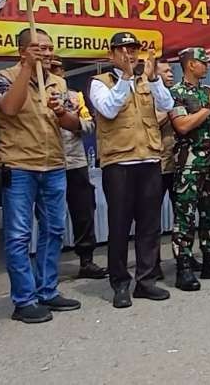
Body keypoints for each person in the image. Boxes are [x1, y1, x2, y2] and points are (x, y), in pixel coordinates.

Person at [0, 28, 82, 323]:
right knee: (18, 235)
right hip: (19, 166)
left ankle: (47, 290)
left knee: (54, 230)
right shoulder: (2, 78)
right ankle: (24, 300)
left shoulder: (57, 82)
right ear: (23, 51)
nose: (46, 52)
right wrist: (28, 69)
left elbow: (73, 124)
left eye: (49, 47)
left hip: (53, 164)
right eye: (39, 47)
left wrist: (60, 112)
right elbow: (10, 107)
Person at [88, 32, 174, 308]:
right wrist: (125, 78)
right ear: (111, 54)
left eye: (133, 49)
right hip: (119, 163)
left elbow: (167, 105)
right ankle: (120, 283)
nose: (129, 54)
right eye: (123, 50)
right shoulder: (100, 83)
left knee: (150, 226)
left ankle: (146, 281)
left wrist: (154, 78)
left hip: (149, 159)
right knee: (120, 226)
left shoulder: (145, 80)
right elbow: (109, 110)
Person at [169, 47, 210, 290]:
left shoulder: (209, 91)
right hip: (189, 165)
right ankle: (184, 267)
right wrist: (209, 107)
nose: (207, 66)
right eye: (202, 62)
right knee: (186, 218)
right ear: (189, 65)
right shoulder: (175, 93)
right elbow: (183, 126)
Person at [49, 57, 107, 281]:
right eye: (50, 69)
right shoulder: (33, 95)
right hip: (46, 161)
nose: (54, 73)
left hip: (74, 161)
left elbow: (89, 125)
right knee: (48, 216)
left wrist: (71, 121)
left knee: (84, 210)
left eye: (57, 69)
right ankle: (48, 267)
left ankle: (87, 260)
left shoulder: (75, 97)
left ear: (62, 72)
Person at [151, 60, 179, 280]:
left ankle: (183, 256)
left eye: (171, 70)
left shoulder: (174, 95)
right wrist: (171, 111)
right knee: (151, 218)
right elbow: (149, 123)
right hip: (155, 165)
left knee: (182, 215)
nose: (171, 74)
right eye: (166, 71)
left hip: (176, 162)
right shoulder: (147, 96)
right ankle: (152, 263)